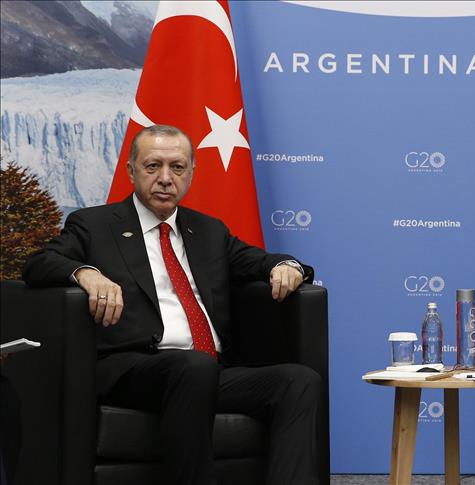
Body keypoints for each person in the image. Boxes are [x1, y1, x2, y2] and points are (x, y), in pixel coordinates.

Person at [22, 125, 320, 485]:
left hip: (209, 369)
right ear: (131, 171)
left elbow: (259, 261)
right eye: (153, 166)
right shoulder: (95, 224)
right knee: (193, 367)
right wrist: (86, 273)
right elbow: (39, 263)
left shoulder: (208, 231)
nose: (165, 178)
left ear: (191, 174)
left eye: (177, 167)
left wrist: (286, 266)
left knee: (298, 381)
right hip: (135, 370)